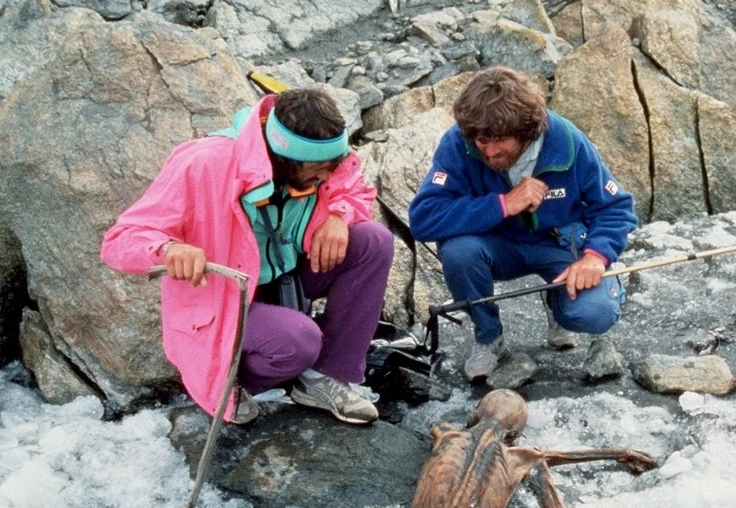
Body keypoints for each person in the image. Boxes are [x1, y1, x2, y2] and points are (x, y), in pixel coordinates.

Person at [102, 88, 394, 425]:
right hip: (224, 298)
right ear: (284, 156)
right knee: (300, 341)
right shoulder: (204, 163)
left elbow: (350, 185)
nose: (327, 177)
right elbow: (120, 239)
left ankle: (325, 377)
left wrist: (339, 216)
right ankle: (232, 384)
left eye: (332, 165)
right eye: (318, 169)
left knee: (373, 241)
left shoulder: (326, 161)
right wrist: (169, 249)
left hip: (286, 278)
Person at [408, 66, 637, 381]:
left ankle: (556, 301)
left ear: (527, 132)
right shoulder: (459, 143)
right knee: (458, 252)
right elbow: (423, 218)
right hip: (494, 247)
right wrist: (502, 205)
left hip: (558, 245)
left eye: (500, 140)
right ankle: (489, 337)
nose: (489, 151)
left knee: (596, 312)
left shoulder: (566, 140)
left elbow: (616, 207)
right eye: (481, 140)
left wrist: (596, 257)